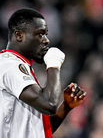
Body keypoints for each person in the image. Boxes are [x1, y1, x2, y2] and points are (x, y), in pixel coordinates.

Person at [0, 8, 87, 138]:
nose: (46, 40)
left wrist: (66, 107)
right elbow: (50, 104)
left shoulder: (18, 67)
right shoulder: (10, 65)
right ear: (19, 35)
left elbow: (38, 130)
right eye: (40, 34)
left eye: (46, 34)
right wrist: (53, 64)